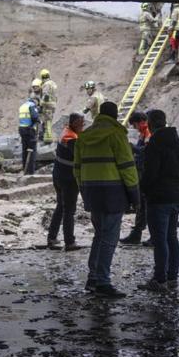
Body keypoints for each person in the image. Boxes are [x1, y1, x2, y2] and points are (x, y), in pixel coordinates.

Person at [74, 101, 139, 299]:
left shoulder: (83, 137)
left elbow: (77, 170)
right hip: (113, 193)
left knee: (99, 235)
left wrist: (84, 192)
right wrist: (135, 195)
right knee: (109, 238)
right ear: (115, 115)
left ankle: (93, 278)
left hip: (92, 192)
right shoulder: (117, 135)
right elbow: (128, 167)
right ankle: (103, 282)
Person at [137, 109, 179, 292]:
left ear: (151, 123)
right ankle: (172, 277)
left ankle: (159, 279)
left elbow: (150, 173)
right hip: (175, 195)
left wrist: (143, 190)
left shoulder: (155, 143)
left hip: (158, 198)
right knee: (171, 237)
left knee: (160, 240)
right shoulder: (178, 142)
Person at [48, 113, 85, 251]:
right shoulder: (71, 137)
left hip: (58, 175)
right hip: (68, 178)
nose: (83, 125)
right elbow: (80, 155)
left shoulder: (66, 131)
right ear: (74, 122)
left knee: (60, 207)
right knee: (69, 210)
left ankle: (51, 238)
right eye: (81, 123)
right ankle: (69, 242)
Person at [120, 111, 151, 245]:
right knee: (142, 204)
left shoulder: (148, 132)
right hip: (141, 172)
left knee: (144, 204)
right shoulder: (144, 132)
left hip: (145, 173)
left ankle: (142, 234)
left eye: (134, 125)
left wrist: (133, 148)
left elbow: (147, 151)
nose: (134, 128)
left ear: (139, 122)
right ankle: (137, 233)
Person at [18, 94, 41, 175]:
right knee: (32, 150)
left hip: (22, 129)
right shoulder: (32, 105)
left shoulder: (22, 106)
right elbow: (35, 117)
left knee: (25, 150)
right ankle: (31, 172)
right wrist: (38, 119)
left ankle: (25, 169)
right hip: (30, 130)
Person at [39, 69, 59, 144]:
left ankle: (48, 139)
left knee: (47, 122)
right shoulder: (53, 83)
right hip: (52, 105)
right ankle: (48, 138)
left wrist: (41, 104)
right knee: (49, 121)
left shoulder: (46, 84)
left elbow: (46, 95)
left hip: (47, 106)